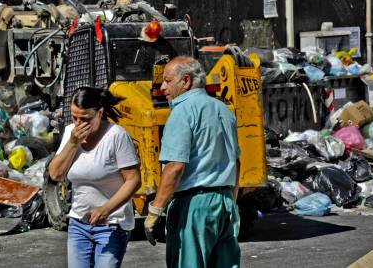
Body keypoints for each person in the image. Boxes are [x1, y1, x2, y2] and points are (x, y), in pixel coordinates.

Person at [144, 56, 241, 268]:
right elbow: (236, 161)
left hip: (194, 205)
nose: (162, 87)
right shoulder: (223, 109)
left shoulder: (182, 111)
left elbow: (175, 166)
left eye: (168, 81)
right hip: (225, 202)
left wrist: (154, 212)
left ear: (186, 81)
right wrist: (230, 201)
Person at [48, 87, 141, 268]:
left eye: (85, 119)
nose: (79, 124)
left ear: (99, 113)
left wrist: (105, 209)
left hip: (112, 223)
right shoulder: (70, 133)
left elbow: (134, 180)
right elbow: (55, 174)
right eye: (74, 117)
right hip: (78, 222)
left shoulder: (116, 136)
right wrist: (72, 143)